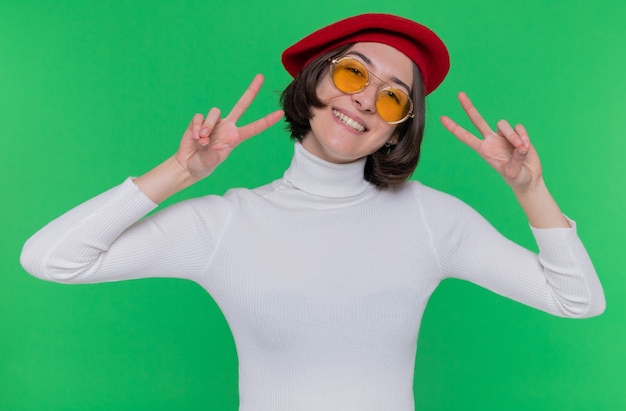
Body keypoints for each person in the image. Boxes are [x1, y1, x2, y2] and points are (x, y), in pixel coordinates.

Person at [20, 13, 605, 411]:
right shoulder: (225, 223)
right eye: (352, 73)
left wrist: (531, 190)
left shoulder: (432, 220)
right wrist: (179, 174)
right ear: (316, 82)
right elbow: (51, 259)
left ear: (400, 127)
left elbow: (577, 300)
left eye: (392, 96)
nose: (363, 100)